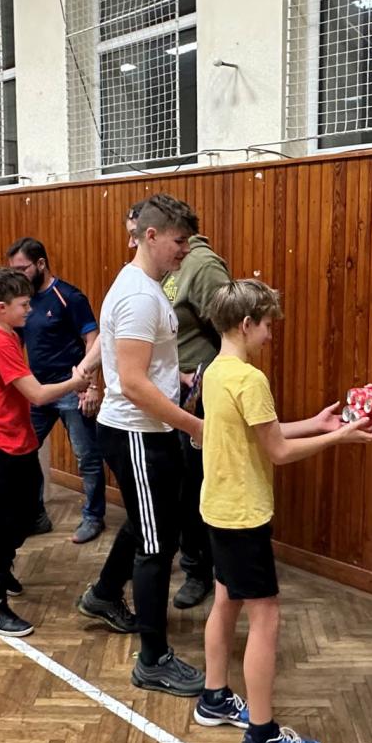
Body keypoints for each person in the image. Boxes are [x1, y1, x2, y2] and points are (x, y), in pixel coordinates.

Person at [193, 279, 372, 743]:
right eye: (267, 325)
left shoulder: (215, 370)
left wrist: (317, 424)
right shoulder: (249, 379)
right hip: (243, 515)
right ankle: (261, 737)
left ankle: (214, 697)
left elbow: (260, 433)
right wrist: (339, 439)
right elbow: (277, 450)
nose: (270, 334)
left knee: (226, 600)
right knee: (266, 617)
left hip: (218, 509)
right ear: (246, 324)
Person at [74, 193, 206, 696]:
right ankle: (153, 660)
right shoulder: (139, 296)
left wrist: (179, 377)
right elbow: (130, 382)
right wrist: (193, 426)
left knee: (144, 521)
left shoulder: (149, 287)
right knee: (156, 546)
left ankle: (105, 595)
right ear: (151, 236)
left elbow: (144, 366)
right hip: (136, 433)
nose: (185, 250)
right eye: (179, 240)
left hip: (149, 429)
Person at [0, 267, 90, 636]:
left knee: (26, 517)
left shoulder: (10, 334)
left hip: (17, 442)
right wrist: (75, 381)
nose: (30, 310)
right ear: (2, 308)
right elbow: (36, 394)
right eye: (23, 305)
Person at [6, 237, 106, 544]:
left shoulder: (69, 297)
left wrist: (91, 385)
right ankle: (36, 516)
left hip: (73, 390)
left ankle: (93, 517)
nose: (17, 276)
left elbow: (93, 340)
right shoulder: (23, 302)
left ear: (41, 264)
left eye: (22, 269)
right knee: (25, 452)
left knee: (87, 457)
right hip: (38, 391)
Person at [162, 230, 231, 609]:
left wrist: (212, 380)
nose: (131, 243)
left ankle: (199, 570)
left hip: (199, 394)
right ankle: (187, 558)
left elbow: (231, 329)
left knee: (195, 484)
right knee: (178, 482)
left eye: (135, 234)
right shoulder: (167, 267)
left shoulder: (203, 266)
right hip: (173, 390)